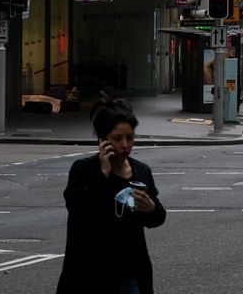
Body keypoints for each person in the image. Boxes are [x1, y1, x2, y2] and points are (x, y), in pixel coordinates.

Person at [57, 96, 167, 294]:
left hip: (132, 274)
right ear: (102, 139)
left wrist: (151, 208)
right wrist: (103, 173)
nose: (125, 145)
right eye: (117, 138)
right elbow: (78, 211)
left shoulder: (141, 171)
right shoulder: (84, 170)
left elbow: (157, 217)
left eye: (130, 137)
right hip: (90, 275)